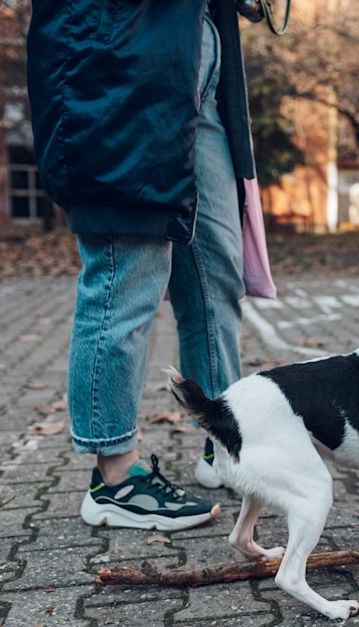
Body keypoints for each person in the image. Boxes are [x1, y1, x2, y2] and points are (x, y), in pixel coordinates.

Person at [27, 0, 258, 530]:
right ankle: (115, 476)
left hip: (195, 71)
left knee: (215, 277)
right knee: (124, 277)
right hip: (120, 69)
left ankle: (224, 445)